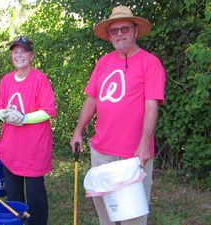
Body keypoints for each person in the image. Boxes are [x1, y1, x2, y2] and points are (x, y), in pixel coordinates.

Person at [70, 5, 166, 225]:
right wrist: (78, 131)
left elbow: (152, 106)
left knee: (133, 216)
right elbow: (92, 99)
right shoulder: (103, 63)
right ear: (109, 35)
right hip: (101, 152)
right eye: (115, 30)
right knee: (107, 215)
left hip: (133, 155)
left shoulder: (150, 64)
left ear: (135, 31)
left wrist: (144, 144)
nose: (120, 33)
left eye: (125, 28)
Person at [0, 36, 56, 225]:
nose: (19, 55)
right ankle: (17, 221)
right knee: (13, 195)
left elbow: (48, 111)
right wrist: (2, 114)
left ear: (31, 55)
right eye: (15, 52)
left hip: (34, 148)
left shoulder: (39, 79)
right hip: (11, 147)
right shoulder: (6, 80)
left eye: (23, 51)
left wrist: (24, 118)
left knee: (35, 194)